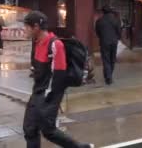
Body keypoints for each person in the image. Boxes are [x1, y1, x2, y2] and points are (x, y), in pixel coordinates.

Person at [22, 11, 93, 148]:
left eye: (26, 27)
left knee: (48, 130)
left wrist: (48, 98)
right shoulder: (37, 43)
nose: (24, 30)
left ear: (35, 27)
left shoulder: (55, 45)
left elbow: (58, 76)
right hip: (38, 91)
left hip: (50, 93)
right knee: (30, 129)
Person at [95, 6, 122, 85]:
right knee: (112, 59)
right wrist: (117, 38)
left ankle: (108, 76)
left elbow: (97, 32)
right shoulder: (116, 20)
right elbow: (119, 31)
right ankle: (109, 76)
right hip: (114, 42)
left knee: (106, 59)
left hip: (104, 42)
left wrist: (102, 37)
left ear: (103, 12)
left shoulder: (99, 21)